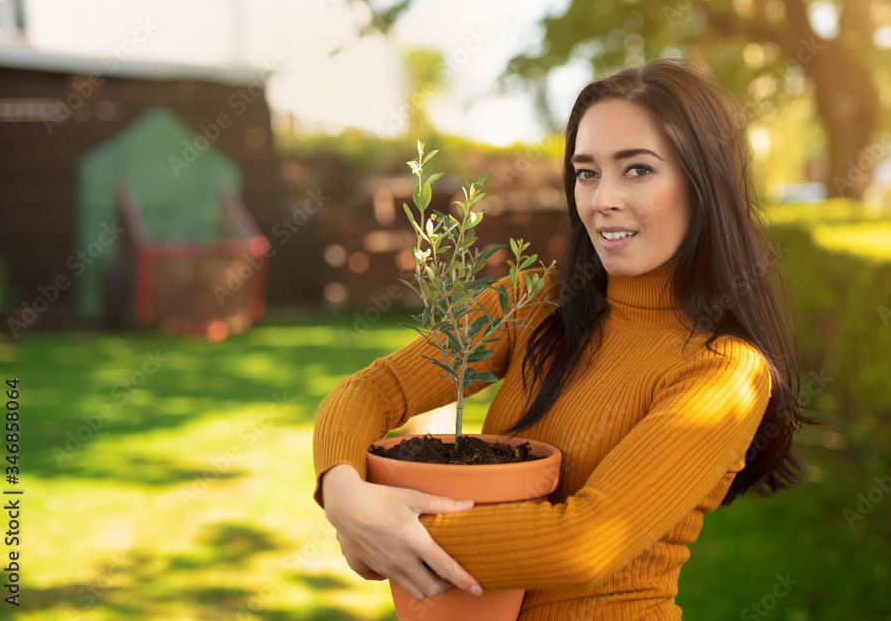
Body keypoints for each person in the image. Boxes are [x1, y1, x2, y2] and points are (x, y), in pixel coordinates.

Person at [313, 57, 815, 620]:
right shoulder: (533, 301)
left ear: (703, 185)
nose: (602, 200)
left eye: (638, 170)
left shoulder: (722, 372)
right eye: (586, 172)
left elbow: (583, 544)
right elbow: (374, 389)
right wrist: (344, 494)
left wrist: (387, 533)